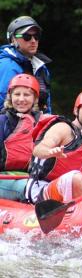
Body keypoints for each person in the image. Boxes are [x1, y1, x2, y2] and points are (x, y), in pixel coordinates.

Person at [0, 73, 42, 201]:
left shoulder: (42, 122)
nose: (21, 99)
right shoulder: (2, 121)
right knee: (33, 189)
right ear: (10, 97)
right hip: (3, 177)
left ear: (35, 99)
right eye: (17, 94)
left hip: (31, 177)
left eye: (27, 95)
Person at [0, 16, 52, 113]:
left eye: (36, 36)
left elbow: (47, 107)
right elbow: (2, 106)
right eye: (27, 37)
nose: (33, 41)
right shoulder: (7, 66)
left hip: (37, 124)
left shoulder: (41, 67)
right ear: (13, 39)